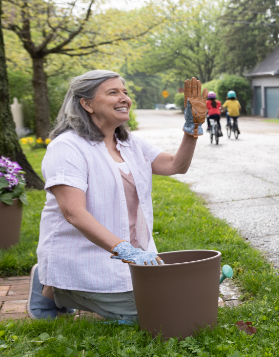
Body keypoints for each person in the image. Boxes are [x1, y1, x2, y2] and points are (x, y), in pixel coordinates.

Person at [27, 72, 208, 321]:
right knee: (153, 312)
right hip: (86, 257)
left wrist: (192, 130)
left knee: (171, 299)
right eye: (113, 92)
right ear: (87, 104)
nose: (124, 98)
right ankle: (53, 285)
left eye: (125, 92)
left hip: (133, 257)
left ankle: (56, 287)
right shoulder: (67, 147)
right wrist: (125, 251)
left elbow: (175, 166)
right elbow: (73, 212)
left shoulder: (129, 143)